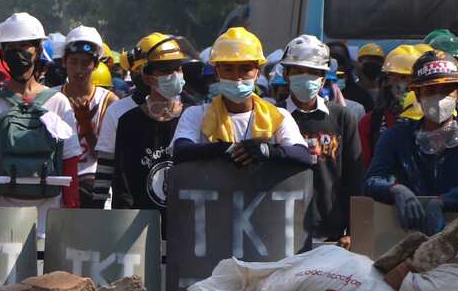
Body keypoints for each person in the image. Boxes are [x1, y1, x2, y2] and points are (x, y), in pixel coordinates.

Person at [0, 13, 81, 237]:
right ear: (2, 54)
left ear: (38, 50)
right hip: (5, 223)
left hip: (44, 224)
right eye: (11, 48)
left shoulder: (59, 103)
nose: (18, 54)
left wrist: (69, 221)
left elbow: (70, 166)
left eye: (24, 46)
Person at [365, 50, 458, 235]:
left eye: (447, 91)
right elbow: (372, 181)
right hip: (407, 235)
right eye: (430, 91)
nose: (439, 98)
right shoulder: (396, 137)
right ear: (417, 96)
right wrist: (396, 189)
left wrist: (442, 202)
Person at [171, 27, 311, 169]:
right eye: (228, 69)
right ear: (216, 72)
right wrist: (224, 149)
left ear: (258, 72)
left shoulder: (278, 116)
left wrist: (267, 151)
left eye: (245, 69)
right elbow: (180, 150)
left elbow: (303, 155)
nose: (237, 76)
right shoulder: (196, 115)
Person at [93, 34, 194, 225]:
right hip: (140, 225)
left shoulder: (194, 116)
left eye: (177, 68)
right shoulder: (126, 120)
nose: (174, 75)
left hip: (184, 222)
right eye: (165, 70)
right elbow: (118, 179)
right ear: (147, 77)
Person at [279, 35, 364, 247]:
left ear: (324, 78)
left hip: (332, 233)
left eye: (313, 72)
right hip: (284, 230)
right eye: (298, 71)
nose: (305, 77)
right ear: (287, 74)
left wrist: (354, 230)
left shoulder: (342, 117)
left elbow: (354, 177)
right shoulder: (275, 116)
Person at [61, 25, 118, 208]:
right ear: (64, 62)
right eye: (73, 61)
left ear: (95, 64)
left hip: (95, 188)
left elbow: (105, 157)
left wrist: (86, 127)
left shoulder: (108, 101)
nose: (79, 69)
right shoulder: (52, 98)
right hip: (59, 184)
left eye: (85, 63)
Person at [358, 44, 426, 167]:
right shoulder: (371, 122)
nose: (406, 85)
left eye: (413, 78)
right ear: (388, 80)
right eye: (401, 77)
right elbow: (366, 167)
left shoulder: (435, 119)